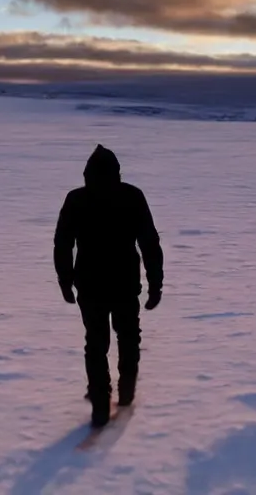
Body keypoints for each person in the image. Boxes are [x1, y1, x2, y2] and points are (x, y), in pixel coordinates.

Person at [54, 144, 164, 428]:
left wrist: (65, 282)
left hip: (91, 286)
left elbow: (62, 245)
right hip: (124, 283)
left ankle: (101, 404)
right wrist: (155, 284)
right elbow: (150, 243)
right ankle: (125, 392)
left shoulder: (77, 199)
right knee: (128, 338)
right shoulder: (131, 196)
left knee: (96, 342)